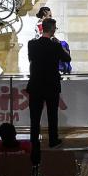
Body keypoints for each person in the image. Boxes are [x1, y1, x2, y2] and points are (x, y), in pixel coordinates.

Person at [26, 17, 70, 163]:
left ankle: (34, 143)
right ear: (52, 30)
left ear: (42, 28)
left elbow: (31, 59)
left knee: (34, 118)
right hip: (51, 86)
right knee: (52, 115)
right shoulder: (56, 46)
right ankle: (53, 140)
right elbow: (67, 58)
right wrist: (59, 45)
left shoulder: (32, 44)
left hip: (36, 86)